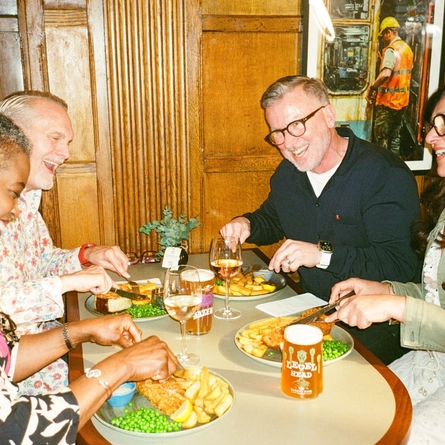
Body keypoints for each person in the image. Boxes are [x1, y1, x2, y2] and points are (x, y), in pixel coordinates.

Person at [0, 112, 178, 443]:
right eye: (55, 138)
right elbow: (19, 431)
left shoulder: (24, 205)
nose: (66, 152)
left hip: (36, 350)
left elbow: (6, 359)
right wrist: (120, 366)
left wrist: (81, 329)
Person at [220, 75, 420, 363]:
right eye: (278, 133)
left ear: (328, 115)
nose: (288, 143)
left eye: (296, 126)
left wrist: (321, 255)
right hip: (311, 314)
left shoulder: (383, 173)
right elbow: (273, 219)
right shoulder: (289, 174)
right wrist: (246, 224)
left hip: (375, 332)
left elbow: (398, 265)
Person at [326, 84, 445, 444]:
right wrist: (382, 289)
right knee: (349, 408)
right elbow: (434, 295)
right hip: (434, 358)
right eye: (433, 125)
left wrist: (396, 306)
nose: (431, 138)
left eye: (444, 126)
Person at [0, 91, 132, 394]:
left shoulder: (28, 199)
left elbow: (42, 261)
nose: (66, 153)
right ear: (13, 135)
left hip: (44, 339)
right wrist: (68, 282)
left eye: (68, 142)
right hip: (20, 366)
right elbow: (5, 309)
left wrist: (88, 255)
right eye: (56, 137)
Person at [366, 16, 413, 155]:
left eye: (384, 35)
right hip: (402, 102)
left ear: (389, 32)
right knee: (395, 137)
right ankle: (395, 166)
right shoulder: (407, 49)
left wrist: (372, 87)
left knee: (381, 138)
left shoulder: (390, 50)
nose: (383, 39)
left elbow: (386, 73)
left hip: (387, 103)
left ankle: (383, 169)